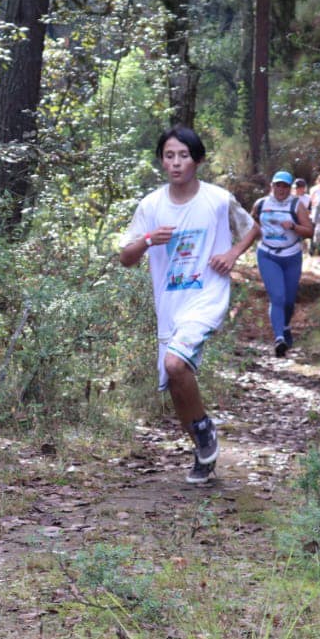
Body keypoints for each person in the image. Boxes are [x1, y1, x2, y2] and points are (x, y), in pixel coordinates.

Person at [118, 125, 256, 484]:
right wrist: (148, 239)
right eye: (169, 155)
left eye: (183, 155)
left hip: (207, 296)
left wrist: (232, 253)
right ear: (162, 161)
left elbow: (250, 228)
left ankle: (203, 434)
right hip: (171, 305)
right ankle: (202, 443)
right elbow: (126, 257)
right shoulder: (150, 206)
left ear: (197, 160)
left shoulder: (217, 200)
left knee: (176, 363)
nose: (176, 163)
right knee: (176, 383)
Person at [244, 171, 313, 356]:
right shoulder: (261, 204)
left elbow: (310, 231)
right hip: (268, 255)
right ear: (272, 186)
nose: (281, 190)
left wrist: (294, 226)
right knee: (278, 297)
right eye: (278, 185)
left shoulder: (296, 205)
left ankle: (285, 326)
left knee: (289, 301)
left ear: (290, 189)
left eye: (285, 186)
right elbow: (252, 225)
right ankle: (279, 338)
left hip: (291, 256)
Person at [293, 178, 312, 255]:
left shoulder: (308, 198)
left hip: (304, 220)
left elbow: (309, 210)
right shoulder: (291, 197)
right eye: (297, 188)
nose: (298, 189)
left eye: (300, 187)